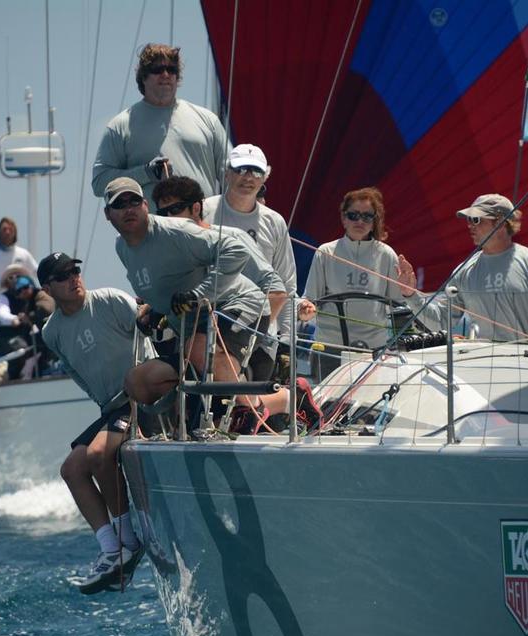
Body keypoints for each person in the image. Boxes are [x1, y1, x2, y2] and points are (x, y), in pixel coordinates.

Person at [102, 177, 276, 433]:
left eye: (134, 201)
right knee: (137, 381)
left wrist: (198, 294)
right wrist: (155, 309)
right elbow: (162, 282)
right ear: (108, 214)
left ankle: (255, 410)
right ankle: (269, 402)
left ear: (145, 206)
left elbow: (236, 251)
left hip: (238, 304)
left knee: (196, 346)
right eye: (120, 204)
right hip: (191, 325)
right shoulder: (123, 247)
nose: (129, 208)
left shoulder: (175, 231)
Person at [152, 176, 322, 431]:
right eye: (162, 212)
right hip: (206, 345)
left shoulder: (231, 237)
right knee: (153, 383)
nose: (168, 217)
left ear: (196, 209)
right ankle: (280, 400)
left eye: (175, 209)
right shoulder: (172, 251)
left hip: (249, 345)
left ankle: (284, 399)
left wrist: (262, 341)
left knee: (224, 418)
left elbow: (277, 290)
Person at [37, 252, 148, 593]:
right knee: (71, 469)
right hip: (110, 407)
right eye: (64, 275)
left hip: (140, 395)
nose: (74, 278)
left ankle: (126, 543)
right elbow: (74, 371)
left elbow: (149, 328)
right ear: (48, 288)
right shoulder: (51, 332)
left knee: (100, 454)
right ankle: (111, 549)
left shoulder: (110, 300)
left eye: (75, 271)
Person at [405, 193, 528, 343]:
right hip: (482, 365)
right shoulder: (463, 271)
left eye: (476, 220)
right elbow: (440, 321)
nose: (469, 225)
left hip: (526, 366)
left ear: (500, 223)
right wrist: (411, 294)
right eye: (468, 220)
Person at [203, 144, 298, 383]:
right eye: (241, 169)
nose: (248, 177)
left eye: (255, 171)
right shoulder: (204, 210)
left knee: (248, 412)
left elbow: (286, 282)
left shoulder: (274, 221)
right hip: (211, 327)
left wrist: (287, 341)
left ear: (265, 177)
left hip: (263, 335)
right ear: (227, 173)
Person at [91, 43, 229, 205]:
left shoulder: (208, 120)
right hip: (151, 229)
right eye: (157, 70)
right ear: (143, 77)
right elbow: (99, 183)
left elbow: (231, 176)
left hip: (202, 227)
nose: (165, 74)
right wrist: (146, 173)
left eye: (172, 70)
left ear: (177, 78)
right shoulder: (120, 126)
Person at [299, 187, 416, 376]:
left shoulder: (387, 255)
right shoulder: (326, 253)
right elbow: (310, 298)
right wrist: (305, 309)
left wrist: (408, 290)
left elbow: (398, 305)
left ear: (374, 221)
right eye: (353, 215)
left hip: (373, 351)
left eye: (367, 216)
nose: (360, 221)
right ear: (344, 219)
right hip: (330, 348)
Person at [0, 217, 39, 295]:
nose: (7, 232)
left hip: (23, 299)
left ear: (15, 233)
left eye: (10, 229)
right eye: (4, 229)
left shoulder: (24, 254)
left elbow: (37, 272)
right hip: (2, 300)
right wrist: (2, 284)